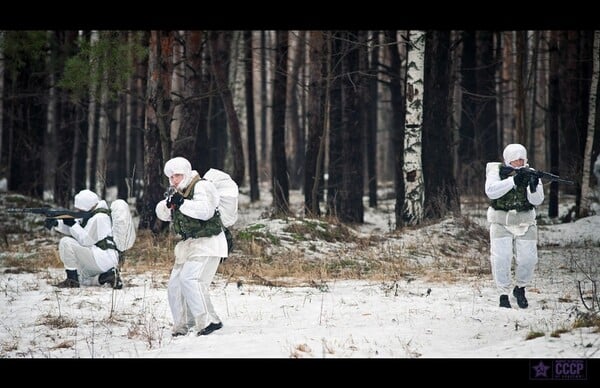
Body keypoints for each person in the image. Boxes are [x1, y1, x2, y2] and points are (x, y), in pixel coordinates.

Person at [155, 157, 228, 337]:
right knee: (175, 284)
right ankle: (183, 324)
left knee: (191, 280)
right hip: (190, 244)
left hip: (209, 243)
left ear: (186, 173)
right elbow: (163, 215)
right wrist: (168, 203)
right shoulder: (178, 191)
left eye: (178, 176)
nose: (174, 180)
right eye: (171, 177)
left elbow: (205, 211)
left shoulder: (202, 186)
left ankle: (209, 321)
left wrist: (182, 203)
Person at [484, 144, 544, 309]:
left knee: (528, 259)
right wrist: (513, 181)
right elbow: (491, 191)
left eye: (522, 159)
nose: (520, 162)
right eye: (516, 159)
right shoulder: (496, 171)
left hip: (525, 221)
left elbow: (537, 200)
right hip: (501, 221)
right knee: (501, 258)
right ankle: (503, 294)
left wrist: (532, 185)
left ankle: (520, 288)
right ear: (509, 159)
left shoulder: (530, 172)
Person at [46, 189, 122, 289]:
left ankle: (72, 281)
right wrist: (57, 224)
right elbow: (78, 229)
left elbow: (85, 240)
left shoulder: (99, 218)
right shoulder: (94, 213)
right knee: (82, 279)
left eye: (80, 210)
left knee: (66, 242)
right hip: (105, 260)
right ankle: (107, 277)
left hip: (102, 258)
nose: (78, 212)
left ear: (86, 206)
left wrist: (72, 224)